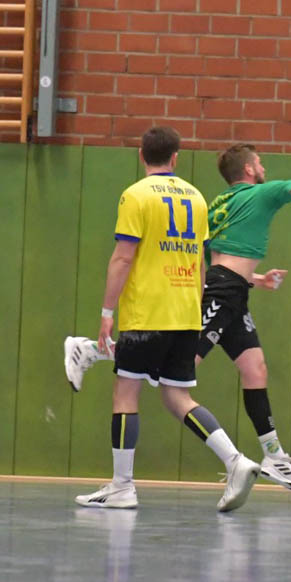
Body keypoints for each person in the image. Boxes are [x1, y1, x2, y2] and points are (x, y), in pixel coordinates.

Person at [66, 143, 291, 492]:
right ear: (250, 169)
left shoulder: (219, 204)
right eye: (260, 163)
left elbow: (212, 256)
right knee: (176, 370)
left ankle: (274, 457)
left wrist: (256, 279)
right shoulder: (263, 194)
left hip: (233, 292)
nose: (264, 168)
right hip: (221, 293)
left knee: (255, 369)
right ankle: (92, 350)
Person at [74, 126, 260, 512]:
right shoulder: (196, 198)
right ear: (176, 157)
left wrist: (107, 312)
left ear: (142, 155)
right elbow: (203, 263)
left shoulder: (136, 195)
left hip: (148, 312)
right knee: (177, 397)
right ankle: (235, 460)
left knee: (126, 393)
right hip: (187, 313)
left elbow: (123, 257)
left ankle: (122, 487)